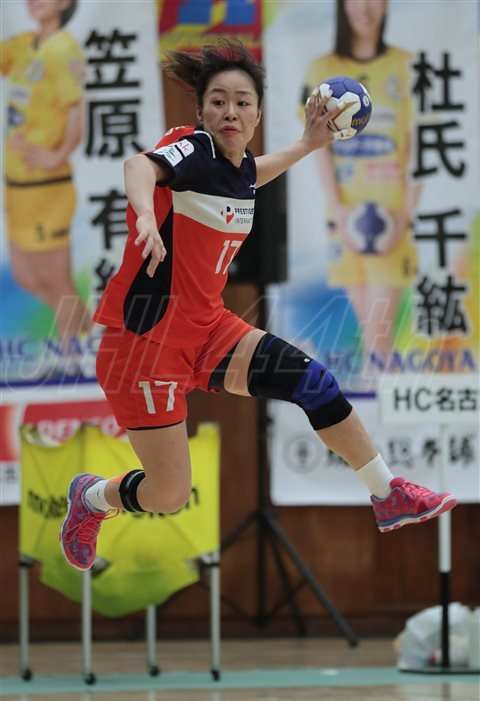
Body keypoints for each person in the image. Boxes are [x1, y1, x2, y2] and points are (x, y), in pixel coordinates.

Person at [59, 39, 456, 572]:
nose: (230, 111)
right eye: (218, 101)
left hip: (208, 331)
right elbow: (139, 166)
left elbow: (250, 176)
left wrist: (309, 143)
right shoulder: (191, 149)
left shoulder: (237, 167)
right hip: (144, 347)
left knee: (314, 383)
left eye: (242, 102)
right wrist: (146, 216)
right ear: (202, 112)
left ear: (257, 115)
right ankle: (91, 497)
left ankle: (389, 495)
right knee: (169, 493)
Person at [300, 0, 421, 382]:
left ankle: (383, 413)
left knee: (378, 342)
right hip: (345, 222)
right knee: (373, 340)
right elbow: (317, 146)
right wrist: (337, 209)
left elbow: (420, 146)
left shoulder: (407, 66)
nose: (364, 8)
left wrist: (405, 214)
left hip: (391, 221)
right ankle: (376, 411)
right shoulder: (323, 70)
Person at [1, 0, 91, 375]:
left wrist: (56, 155)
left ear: (64, 3)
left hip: (47, 188)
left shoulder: (64, 50)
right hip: (16, 183)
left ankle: (71, 358)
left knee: (56, 279)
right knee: (25, 275)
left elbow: (77, 112)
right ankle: (88, 331)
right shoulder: (23, 45)